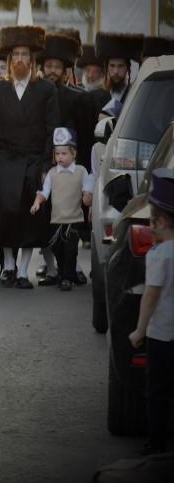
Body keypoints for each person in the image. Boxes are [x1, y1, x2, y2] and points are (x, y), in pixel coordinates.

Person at [0, 25, 59, 289]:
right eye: (15, 54)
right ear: (9, 60)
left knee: (30, 216)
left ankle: (22, 271)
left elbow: (52, 129)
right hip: (5, 160)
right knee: (7, 212)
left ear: (32, 60)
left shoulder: (45, 90)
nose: (19, 59)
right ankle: (7, 266)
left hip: (34, 160)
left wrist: (46, 165)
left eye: (24, 54)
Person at [128, 168, 174, 455]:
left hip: (162, 335)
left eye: (151, 221)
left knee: (157, 392)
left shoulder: (159, 255)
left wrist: (139, 329)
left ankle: (156, 444)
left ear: (160, 221)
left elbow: (151, 295)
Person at [30, 128, 93, 291]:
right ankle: (63, 272)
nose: (60, 157)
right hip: (57, 220)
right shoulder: (52, 173)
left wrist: (87, 197)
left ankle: (66, 278)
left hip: (74, 219)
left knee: (71, 250)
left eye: (64, 153)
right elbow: (45, 192)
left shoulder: (81, 171)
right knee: (58, 248)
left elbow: (87, 189)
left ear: (74, 154)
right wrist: (37, 202)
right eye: (57, 154)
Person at [84, 31, 144, 122]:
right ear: (106, 68)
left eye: (120, 66)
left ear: (127, 68)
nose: (116, 71)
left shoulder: (135, 94)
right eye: (112, 66)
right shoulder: (93, 97)